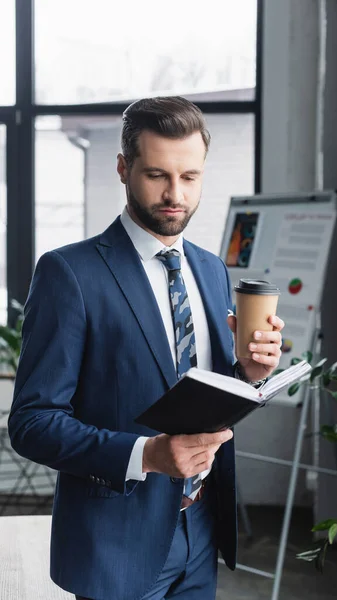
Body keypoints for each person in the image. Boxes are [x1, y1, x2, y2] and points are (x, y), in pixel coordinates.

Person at [8, 96, 284, 600]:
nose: (175, 194)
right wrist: (148, 455)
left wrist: (249, 372)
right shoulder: (69, 273)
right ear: (122, 167)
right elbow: (32, 424)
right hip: (116, 544)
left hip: (200, 529)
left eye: (190, 177)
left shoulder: (211, 269)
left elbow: (209, 393)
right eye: (157, 174)